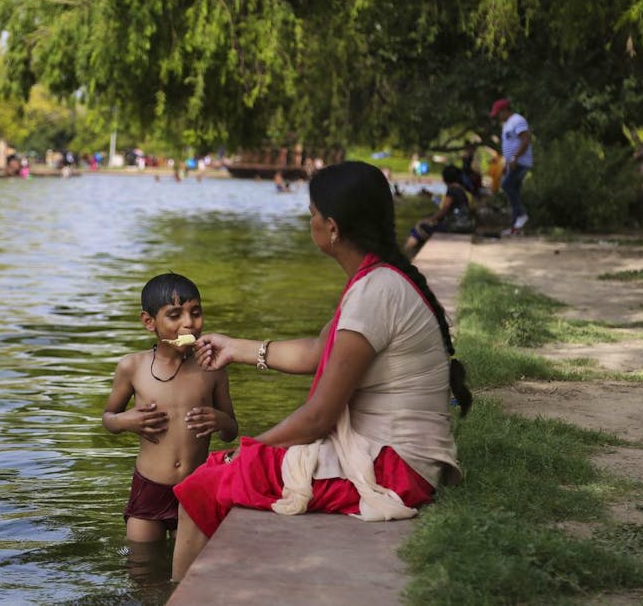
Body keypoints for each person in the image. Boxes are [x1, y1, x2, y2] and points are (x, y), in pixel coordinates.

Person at [170, 161, 471, 582]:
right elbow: (317, 352)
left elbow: (318, 418)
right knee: (221, 470)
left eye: (312, 213)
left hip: (395, 470)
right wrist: (234, 348)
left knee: (206, 481)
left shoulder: (374, 292)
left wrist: (250, 449)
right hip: (396, 457)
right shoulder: (376, 280)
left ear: (331, 228)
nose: (309, 221)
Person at [103, 273, 238, 544]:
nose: (189, 323)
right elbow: (108, 418)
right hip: (149, 486)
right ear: (149, 322)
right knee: (142, 569)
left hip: (193, 487)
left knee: (189, 569)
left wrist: (220, 419)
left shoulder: (212, 368)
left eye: (195, 313)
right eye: (175, 315)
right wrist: (125, 422)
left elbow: (231, 431)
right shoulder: (133, 367)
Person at [403, 164, 475, 257]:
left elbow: (444, 209)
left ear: (445, 178)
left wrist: (429, 220)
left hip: (455, 226)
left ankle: (404, 255)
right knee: (426, 225)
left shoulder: (452, 189)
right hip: (465, 224)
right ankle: (411, 254)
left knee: (419, 229)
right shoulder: (463, 190)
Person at [490, 98, 533, 235]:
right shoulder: (507, 124)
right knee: (514, 191)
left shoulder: (517, 120)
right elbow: (509, 145)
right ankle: (515, 228)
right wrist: (506, 164)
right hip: (512, 163)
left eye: (498, 114)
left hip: (521, 161)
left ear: (504, 110)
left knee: (507, 185)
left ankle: (521, 215)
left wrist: (515, 157)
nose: (498, 117)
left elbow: (526, 139)